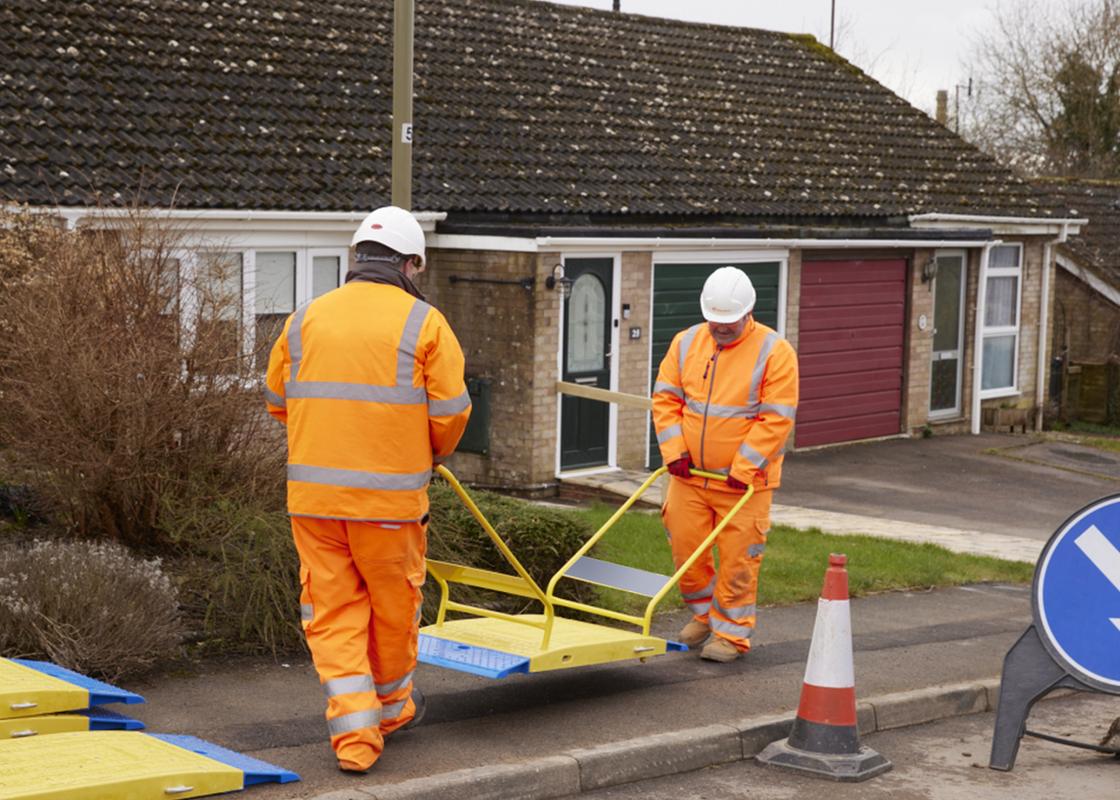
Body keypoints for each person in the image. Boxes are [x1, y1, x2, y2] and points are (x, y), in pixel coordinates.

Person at [264, 205, 471, 772]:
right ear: (411, 264)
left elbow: (278, 401)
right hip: (389, 504)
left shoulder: (304, 318)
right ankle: (393, 710)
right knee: (392, 609)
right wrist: (423, 451)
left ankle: (356, 738)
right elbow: (450, 415)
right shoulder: (425, 323)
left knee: (331, 614)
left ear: (357, 258)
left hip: (315, 504)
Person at [651, 266, 798, 663]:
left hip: (744, 484)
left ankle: (731, 635)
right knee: (685, 552)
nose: (720, 328)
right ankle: (705, 616)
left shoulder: (775, 352)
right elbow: (666, 399)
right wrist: (674, 452)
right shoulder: (686, 342)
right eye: (714, 320)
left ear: (748, 312)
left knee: (738, 560)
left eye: (729, 321)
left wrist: (744, 468)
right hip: (690, 477)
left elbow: (776, 418)